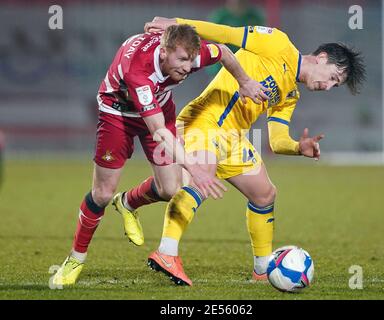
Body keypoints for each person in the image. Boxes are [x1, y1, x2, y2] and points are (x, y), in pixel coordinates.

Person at [128, 17, 366, 287]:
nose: (329, 86)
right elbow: (226, 34)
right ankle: (167, 252)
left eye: (335, 85)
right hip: (205, 120)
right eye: (333, 78)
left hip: (233, 137)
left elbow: (277, 141)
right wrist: (176, 23)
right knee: (198, 179)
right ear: (322, 58)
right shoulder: (277, 43)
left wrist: (299, 147)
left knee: (265, 194)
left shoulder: (290, 94)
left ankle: (263, 269)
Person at [52, 24, 268, 286]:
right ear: (164, 53)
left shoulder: (190, 53)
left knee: (170, 189)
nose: (188, 68)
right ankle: (76, 257)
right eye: (182, 60)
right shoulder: (139, 71)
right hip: (117, 113)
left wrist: (244, 82)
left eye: (191, 60)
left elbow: (223, 51)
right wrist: (195, 168)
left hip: (159, 109)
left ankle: (128, 203)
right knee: (102, 193)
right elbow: (159, 134)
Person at [206, 0, 265, 77]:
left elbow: (261, 40)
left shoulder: (255, 16)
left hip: (248, 66)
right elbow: (211, 42)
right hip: (222, 68)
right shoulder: (220, 17)